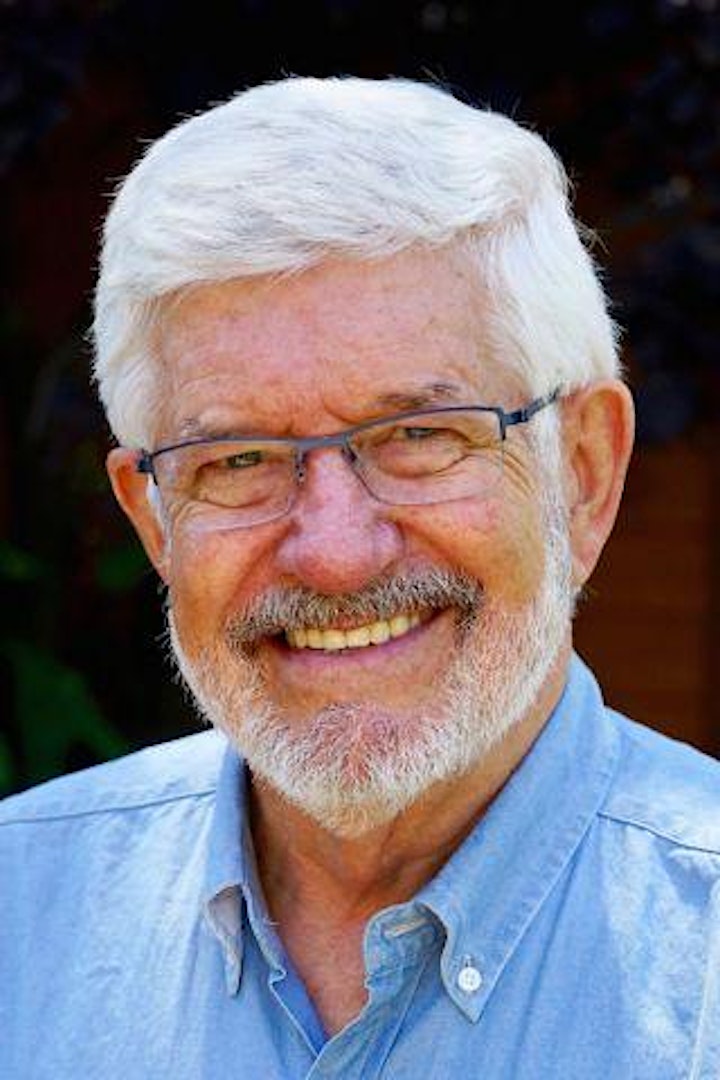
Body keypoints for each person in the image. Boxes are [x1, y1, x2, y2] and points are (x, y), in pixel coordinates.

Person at [1, 76, 718, 1080]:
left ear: (583, 474)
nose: (335, 552)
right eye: (238, 459)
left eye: (421, 436)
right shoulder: (20, 917)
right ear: (155, 520)